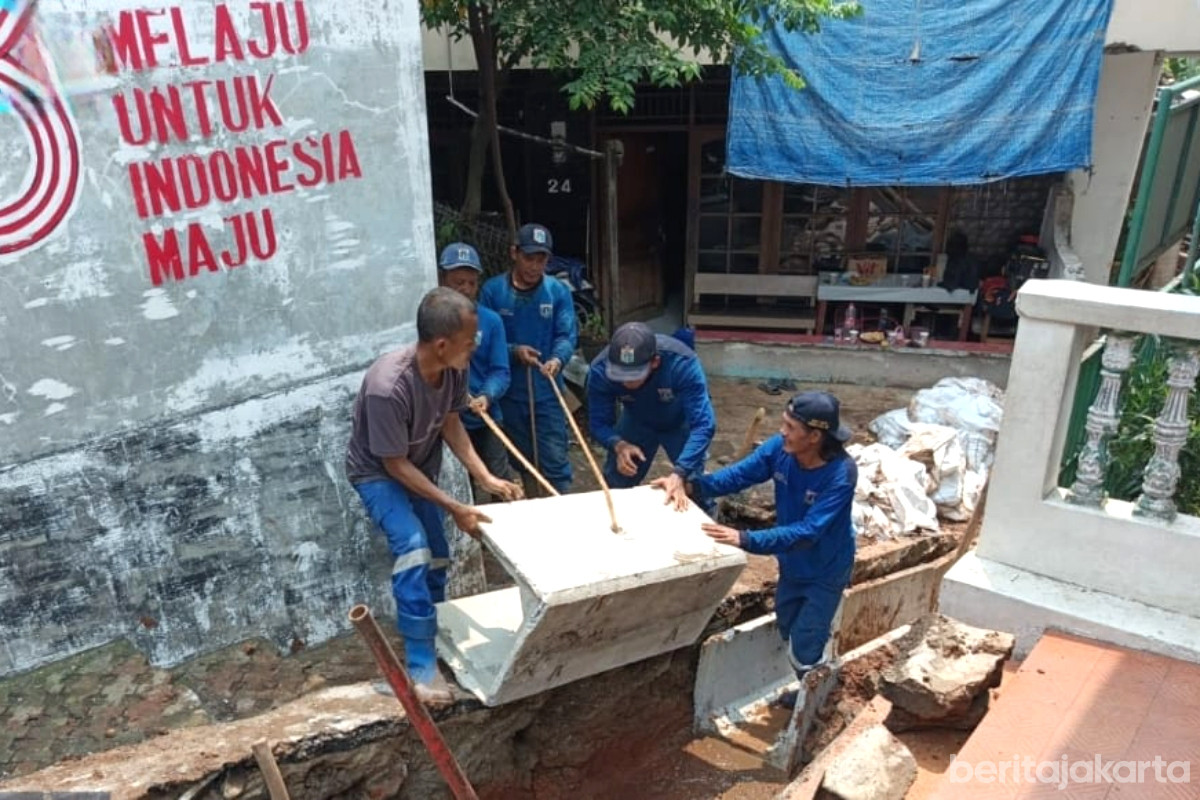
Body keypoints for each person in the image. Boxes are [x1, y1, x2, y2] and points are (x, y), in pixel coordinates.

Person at [345, 287, 523, 704]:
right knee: (413, 547)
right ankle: (421, 666)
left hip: (419, 467)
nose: (475, 348)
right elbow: (393, 465)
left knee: (439, 551)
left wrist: (486, 477)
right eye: (469, 341)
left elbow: (450, 423)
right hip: (379, 474)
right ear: (442, 345)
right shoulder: (387, 387)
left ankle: (437, 632)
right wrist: (455, 505)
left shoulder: (453, 369)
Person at [652, 391, 857, 684]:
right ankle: (810, 683)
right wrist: (689, 485)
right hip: (792, 564)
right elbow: (737, 476)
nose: (781, 431)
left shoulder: (840, 474)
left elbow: (809, 532)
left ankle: (818, 700)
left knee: (805, 642)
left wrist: (746, 538)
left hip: (826, 568)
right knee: (787, 626)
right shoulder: (779, 451)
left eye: (790, 427)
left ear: (814, 437)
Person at [479, 223, 577, 495]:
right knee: (522, 459)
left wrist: (558, 359)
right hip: (508, 393)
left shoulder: (557, 292)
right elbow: (484, 340)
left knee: (555, 459)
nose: (535, 266)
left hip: (548, 390)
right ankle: (536, 505)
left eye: (542, 259)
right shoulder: (493, 291)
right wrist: (514, 351)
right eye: (529, 258)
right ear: (515, 253)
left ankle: (562, 510)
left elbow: (566, 335)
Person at [586, 321, 716, 505]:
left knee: (693, 486)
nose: (626, 382)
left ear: (655, 362)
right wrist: (618, 444)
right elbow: (598, 423)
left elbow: (704, 425)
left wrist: (680, 471)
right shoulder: (600, 370)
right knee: (617, 483)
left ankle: (708, 521)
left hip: (680, 421)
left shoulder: (682, 363)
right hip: (637, 420)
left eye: (634, 375)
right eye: (620, 375)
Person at [437, 242, 519, 496]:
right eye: (458, 282)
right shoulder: (431, 321)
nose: (465, 289)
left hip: (486, 417)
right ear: (441, 279)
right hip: (447, 420)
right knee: (459, 487)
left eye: (471, 283)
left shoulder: (491, 321)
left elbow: (500, 370)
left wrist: (486, 396)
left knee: (499, 480)